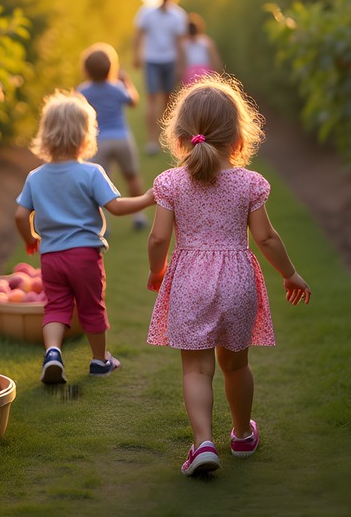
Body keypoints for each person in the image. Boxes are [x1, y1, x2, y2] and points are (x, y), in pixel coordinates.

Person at [145, 73, 312, 476]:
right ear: (238, 136)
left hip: (189, 281)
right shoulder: (249, 183)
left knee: (196, 369)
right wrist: (290, 274)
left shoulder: (170, 182)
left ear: (182, 136)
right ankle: (241, 434)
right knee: (236, 366)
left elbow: (157, 237)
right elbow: (267, 238)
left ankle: (203, 442)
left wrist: (157, 270)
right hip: (238, 280)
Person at [15, 90, 154, 385]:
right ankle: (100, 360)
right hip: (84, 255)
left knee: (56, 307)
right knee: (91, 306)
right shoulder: (91, 173)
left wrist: (31, 238)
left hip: (51, 257)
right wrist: (146, 198)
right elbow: (115, 207)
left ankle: (53, 352)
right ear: (85, 135)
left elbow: (19, 215)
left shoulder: (35, 176)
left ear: (46, 133)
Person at [77, 42, 149, 230]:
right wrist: (127, 81)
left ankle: (102, 225)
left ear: (86, 70)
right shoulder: (117, 87)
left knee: (97, 185)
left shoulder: (82, 91)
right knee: (131, 177)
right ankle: (139, 215)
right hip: (121, 138)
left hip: (98, 141)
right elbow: (133, 101)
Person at [133, 0, 188, 155]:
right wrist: (137, 54)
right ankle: (152, 140)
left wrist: (180, 64)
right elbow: (139, 34)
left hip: (169, 60)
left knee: (168, 100)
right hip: (152, 60)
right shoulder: (147, 13)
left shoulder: (178, 15)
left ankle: (167, 137)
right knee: (152, 99)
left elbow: (180, 42)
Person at [179, 12, 222, 85]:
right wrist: (218, 73)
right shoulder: (206, 41)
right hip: (205, 72)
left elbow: (182, 62)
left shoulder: (184, 44)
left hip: (190, 73)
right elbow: (215, 60)